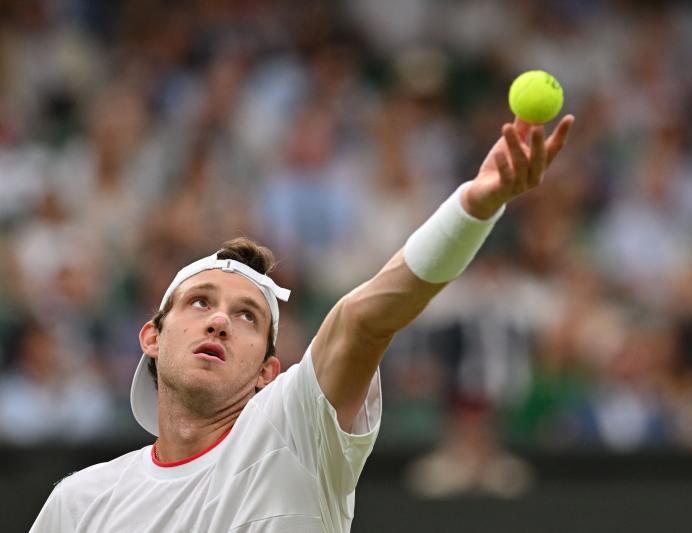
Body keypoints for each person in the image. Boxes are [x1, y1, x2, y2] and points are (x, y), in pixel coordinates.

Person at [30, 114, 574, 532]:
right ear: (151, 336)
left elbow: (363, 319)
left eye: (247, 316)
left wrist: (473, 207)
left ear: (269, 372)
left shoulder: (292, 431)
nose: (219, 319)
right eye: (199, 302)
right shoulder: (76, 503)